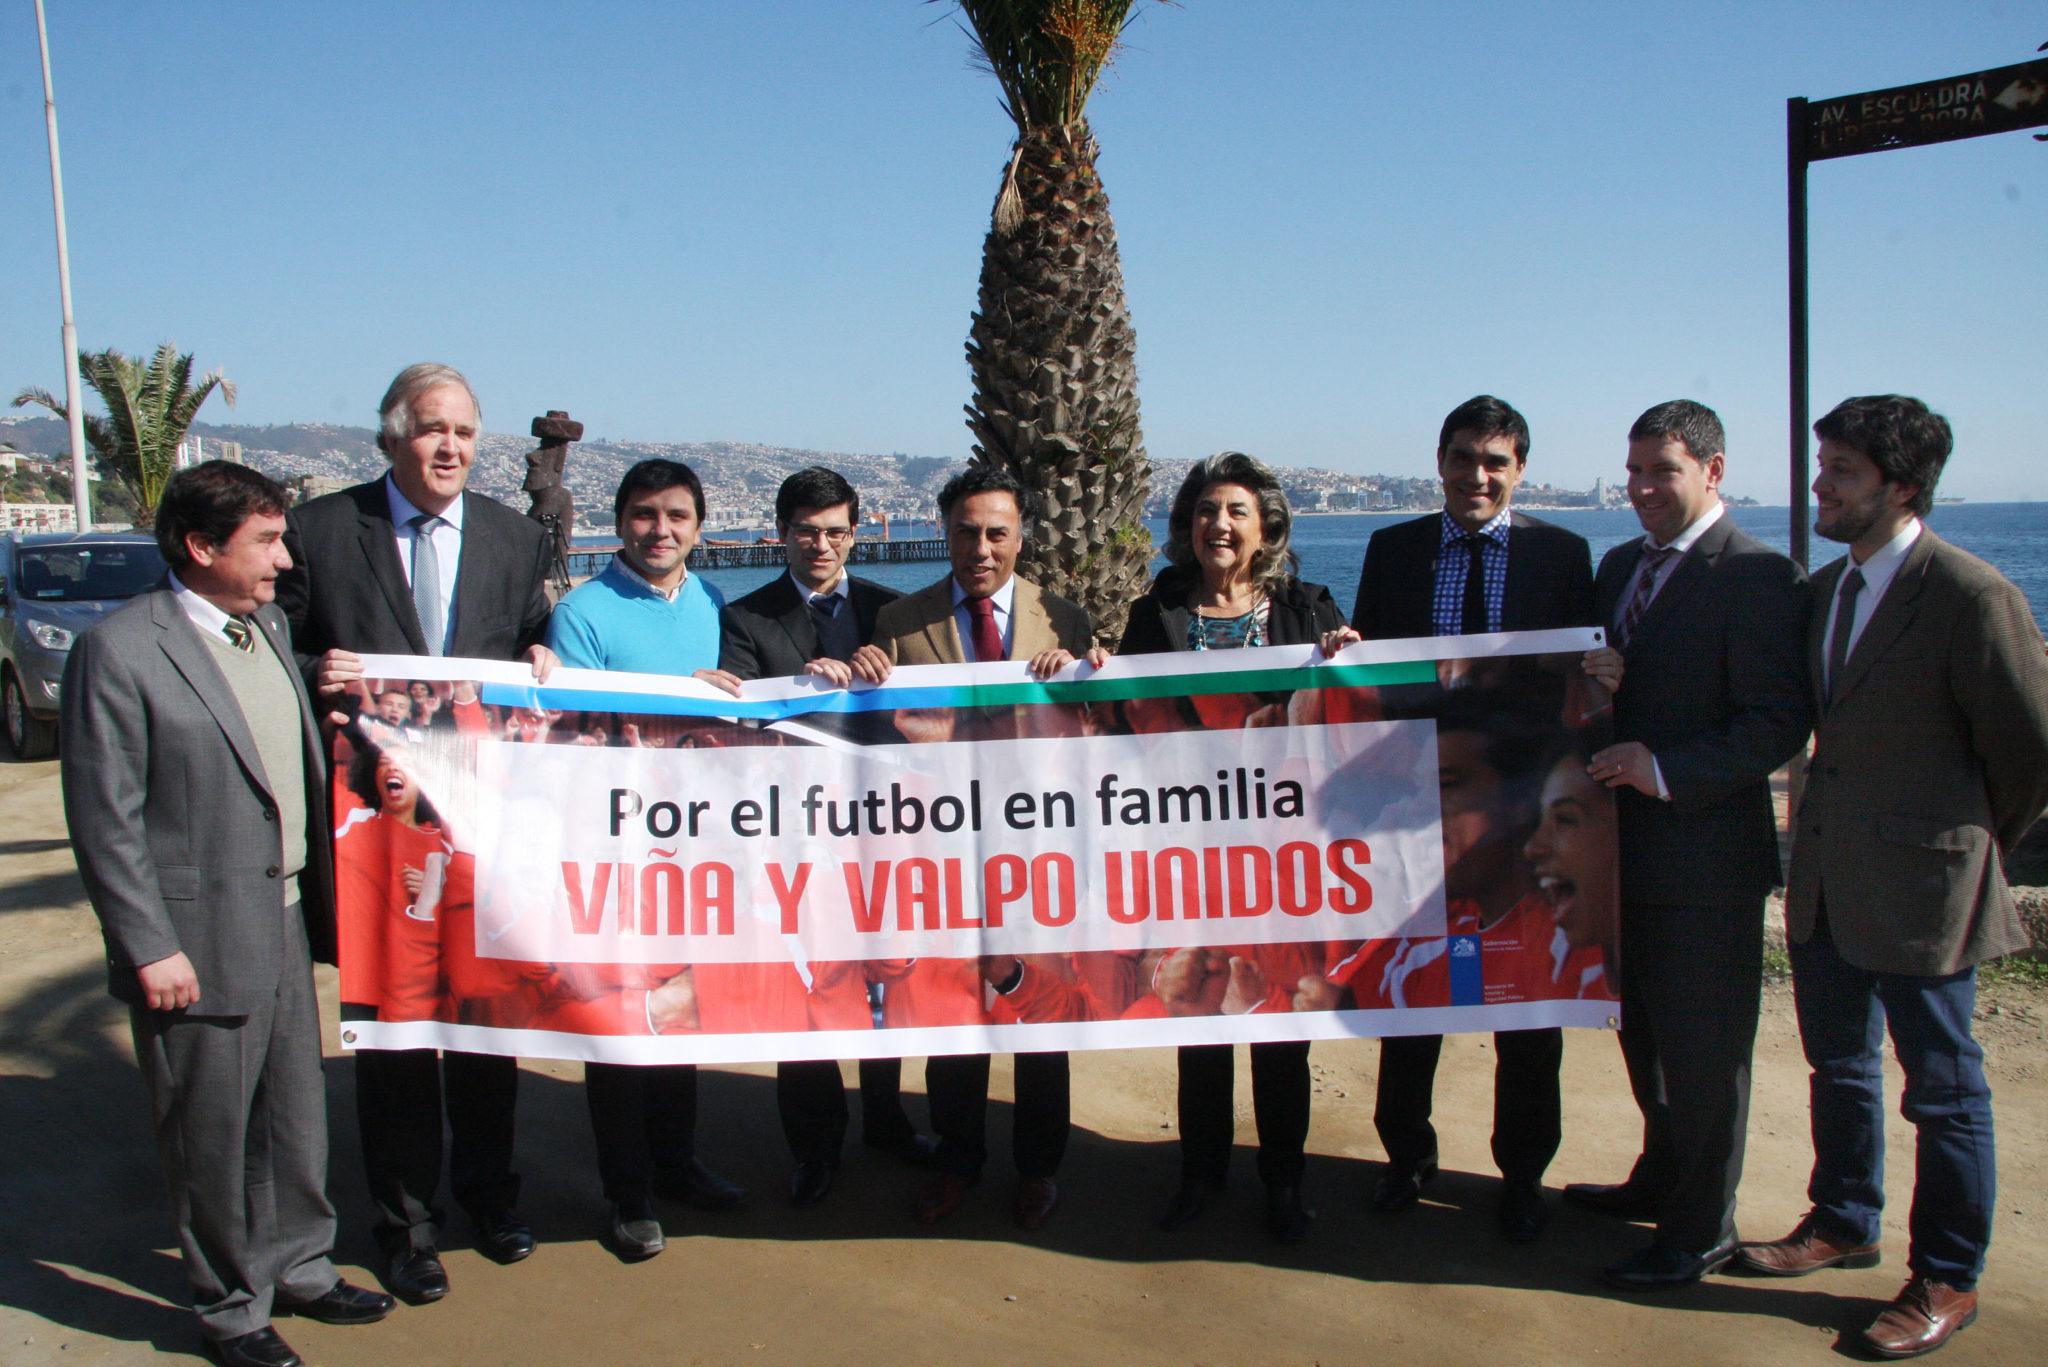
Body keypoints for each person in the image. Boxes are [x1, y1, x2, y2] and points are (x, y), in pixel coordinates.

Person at [1733, 396, 2048, 1358]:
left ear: (1901, 487)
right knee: (1843, 1064)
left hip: (1927, 889)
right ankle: (1844, 1216)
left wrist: (1966, 840)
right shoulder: (1828, 589)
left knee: (1944, 1090)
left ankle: (1949, 1275)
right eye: (1822, 465)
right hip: (1829, 877)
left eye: (1842, 472)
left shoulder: (1969, 594)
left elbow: (2030, 750)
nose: (1819, 484)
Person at [61, 462, 393, 1367]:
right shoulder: (121, 650)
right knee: (211, 1129)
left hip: (283, 911)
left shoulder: (269, 629)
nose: (286, 560)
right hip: (192, 936)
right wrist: (146, 944)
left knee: (294, 1112)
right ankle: (231, 1306)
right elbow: (105, 815)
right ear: (201, 547)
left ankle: (303, 1264)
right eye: (267, 541)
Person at [275, 362, 554, 1304]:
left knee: (485, 1028)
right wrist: (315, 667)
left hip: (483, 827)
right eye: (433, 430)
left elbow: (527, 638)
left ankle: (491, 1198)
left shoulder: (516, 539)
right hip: (378, 832)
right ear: (390, 436)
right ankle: (404, 1226)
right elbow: (275, 641)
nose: (452, 450)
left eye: (467, 434)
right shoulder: (320, 531)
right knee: (394, 1040)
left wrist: (542, 656)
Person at [1323, 394, 1595, 1243]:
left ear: (1518, 470)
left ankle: (1522, 1176)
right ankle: (1406, 1158)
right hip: (1418, 810)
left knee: (1529, 1012)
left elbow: (1579, 675)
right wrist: (1345, 650)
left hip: (1520, 811)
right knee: (1414, 999)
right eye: (1464, 457)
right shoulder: (1392, 549)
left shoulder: (1564, 553)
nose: (1478, 475)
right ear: (1438, 460)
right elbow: (1374, 673)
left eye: (1496, 462)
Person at [1566, 399, 1812, 1290]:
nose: (1639, 490)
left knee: (1709, 1051)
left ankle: (1701, 1229)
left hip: (1706, 858)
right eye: (1632, 471)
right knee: (1643, 1034)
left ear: (1713, 470)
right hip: (1621, 852)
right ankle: (1662, 1175)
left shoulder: (1759, 577)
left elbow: (1779, 720)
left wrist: (1664, 767)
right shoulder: (1620, 564)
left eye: (1659, 472)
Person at [1114, 451, 1343, 1244]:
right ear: (1188, 526)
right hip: (1190, 853)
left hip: (1285, 857)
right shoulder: (1157, 614)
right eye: (1208, 510)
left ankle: (1284, 1182)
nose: (1221, 524)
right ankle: (1199, 1175)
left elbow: (1353, 713)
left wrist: (1350, 655)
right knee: (1202, 1016)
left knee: (1279, 1023)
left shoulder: (1309, 611)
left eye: (1238, 511)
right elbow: (1121, 720)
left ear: (1266, 527)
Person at [870, 463, 1097, 1230]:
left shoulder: (1064, 619)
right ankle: (957, 1160)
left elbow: (1089, 733)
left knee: (1040, 1022)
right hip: (940, 853)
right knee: (952, 1018)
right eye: (966, 531)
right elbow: (878, 741)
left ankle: (1039, 1168)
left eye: (997, 531)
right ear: (945, 531)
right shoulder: (901, 623)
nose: (981, 547)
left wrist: (1079, 675)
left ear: (1021, 535)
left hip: (1038, 853)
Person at [544, 458, 749, 1260]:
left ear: (698, 525)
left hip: (697, 847)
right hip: (616, 844)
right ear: (620, 519)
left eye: (675, 516)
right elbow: (580, 733)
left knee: (680, 1010)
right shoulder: (583, 612)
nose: (658, 530)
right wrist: (678, 702)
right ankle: (627, 1191)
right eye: (641, 514)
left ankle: (678, 1160)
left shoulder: (711, 601)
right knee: (620, 1024)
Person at [718, 466, 938, 1208]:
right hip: (795, 842)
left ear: (854, 532)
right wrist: (797, 694)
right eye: (806, 531)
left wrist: (889, 667)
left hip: (882, 832)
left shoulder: (895, 612)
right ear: (782, 532)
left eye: (835, 531)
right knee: (805, 989)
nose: (821, 544)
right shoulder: (746, 619)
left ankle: (885, 1118)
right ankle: (815, 1148)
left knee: (884, 976)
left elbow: (933, 710)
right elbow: (742, 724)